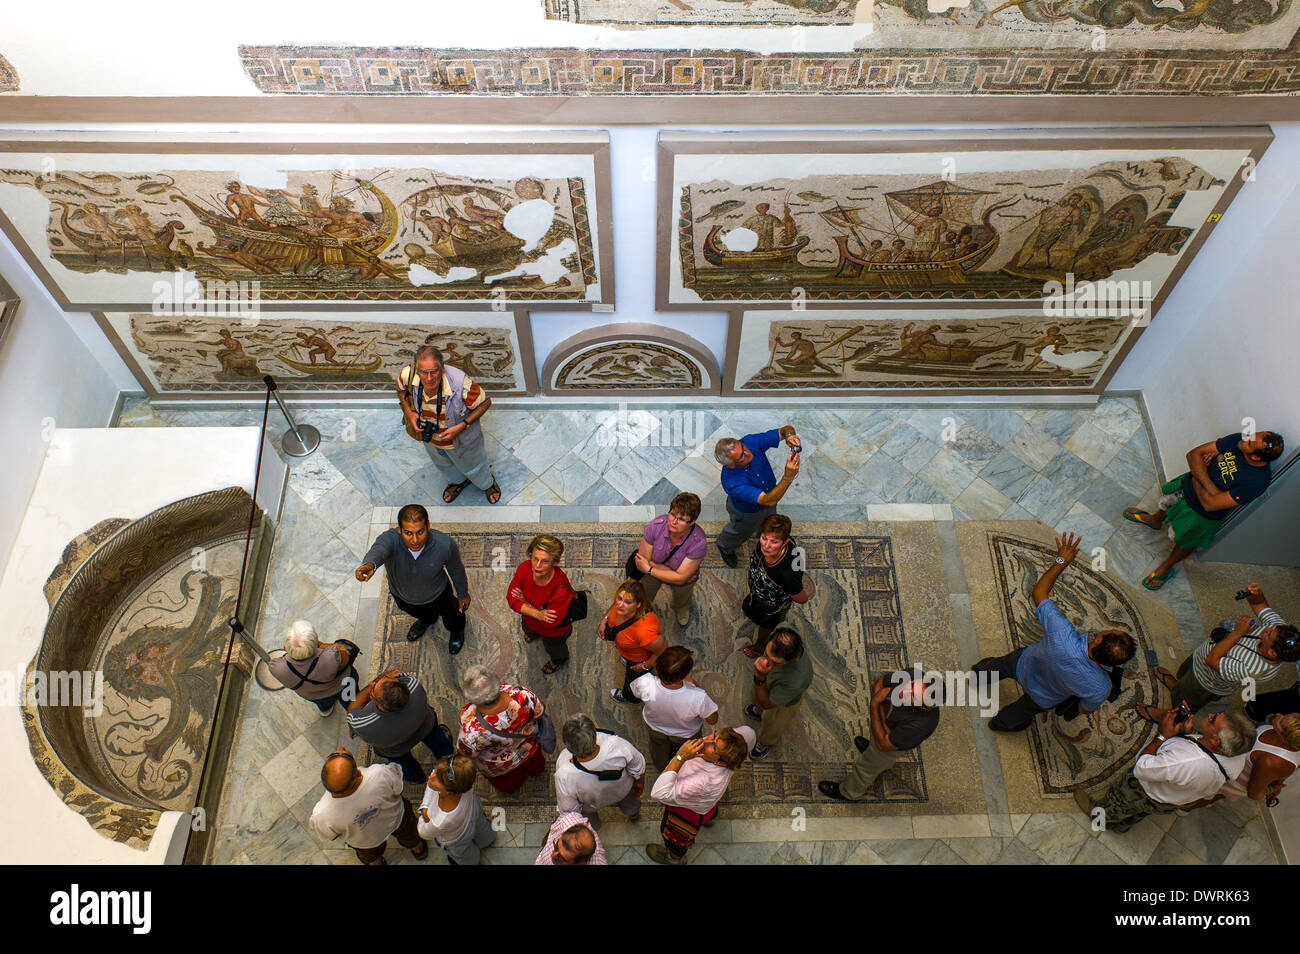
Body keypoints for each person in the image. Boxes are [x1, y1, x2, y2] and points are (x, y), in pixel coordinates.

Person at [972, 532, 1135, 731]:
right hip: (1043, 697)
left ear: (1097, 641)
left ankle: (979, 676)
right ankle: (999, 723)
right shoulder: (1102, 687)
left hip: (1023, 663)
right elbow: (1084, 709)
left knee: (999, 665)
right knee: (1022, 711)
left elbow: (1039, 592)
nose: (1109, 627)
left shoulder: (1062, 633)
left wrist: (1062, 560)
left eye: (1110, 631)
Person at [1123, 430, 1283, 590]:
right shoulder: (1241, 440)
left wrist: (1197, 474)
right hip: (1187, 488)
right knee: (1167, 504)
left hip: (1203, 515)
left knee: (1187, 542)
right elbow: (1193, 455)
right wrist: (1208, 485)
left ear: (1255, 457)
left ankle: (1166, 566)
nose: (1246, 438)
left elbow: (1209, 505)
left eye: (1249, 443)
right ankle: (1154, 520)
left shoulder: (1256, 483)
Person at [1077, 706, 1255, 832]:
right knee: (1139, 812)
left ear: (1216, 741)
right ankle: (1122, 825)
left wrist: (1162, 735)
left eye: (1213, 719)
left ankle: (1099, 816)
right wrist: (1185, 734)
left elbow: (1142, 768)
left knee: (1120, 803)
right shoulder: (1236, 757)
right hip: (1170, 801)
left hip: (1145, 791)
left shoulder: (1185, 761)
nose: (1209, 714)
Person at [1145, 582, 1298, 715]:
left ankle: (1169, 716)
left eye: (1269, 634)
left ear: (1272, 652)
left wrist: (1238, 632)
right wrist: (1256, 593)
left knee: (1187, 702)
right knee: (1184, 679)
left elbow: (1211, 660)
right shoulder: (1279, 630)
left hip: (1205, 683)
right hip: (1198, 660)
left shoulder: (1251, 668)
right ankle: (1178, 687)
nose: (1267, 629)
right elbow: (1260, 605)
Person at [355, 504, 470, 654]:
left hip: (439, 594)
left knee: (453, 616)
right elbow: (379, 549)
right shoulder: (390, 539)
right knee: (423, 615)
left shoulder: (445, 545)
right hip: (404, 597)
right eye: (408, 533)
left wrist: (462, 594)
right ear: (399, 530)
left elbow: (456, 570)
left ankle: (456, 631)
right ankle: (426, 621)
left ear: (428, 525)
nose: (414, 540)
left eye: (420, 532)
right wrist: (370, 564)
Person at [396, 344, 501, 505]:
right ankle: (458, 481)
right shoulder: (407, 375)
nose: (429, 378)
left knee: (475, 465)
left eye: (434, 371)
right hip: (431, 438)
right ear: (417, 370)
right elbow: (401, 391)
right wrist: (410, 413)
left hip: (461, 440)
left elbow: (485, 402)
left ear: (442, 368)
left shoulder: (461, 384)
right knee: (443, 464)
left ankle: (487, 484)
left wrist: (462, 426)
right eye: (424, 372)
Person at [819, 667, 942, 801]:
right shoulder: (914, 674)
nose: (904, 691)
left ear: (925, 707)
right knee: (875, 745)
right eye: (912, 685)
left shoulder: (920, 726)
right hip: (886, 736)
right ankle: (874, 753)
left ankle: (849, 792)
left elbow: (884, 746)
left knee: (865, 769)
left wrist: (875, 705)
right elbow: (879, 682)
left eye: (914, 697)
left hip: (889, 748)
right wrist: (883, 728)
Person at [647, 725, 754, 865]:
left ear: (720, 761)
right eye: (715, 735)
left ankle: (674, 858)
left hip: (687, 812)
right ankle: (710, 819)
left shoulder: (702, 782)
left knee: (676, 839)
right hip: (705, 804)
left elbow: (659, 793)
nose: (708, 740)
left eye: (714, 747)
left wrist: (680, 757)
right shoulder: (736, 743)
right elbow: (750, 732)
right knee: (709, 811)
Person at [308, 748, 427, 865]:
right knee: (410, 835)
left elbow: (330, 835)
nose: (341, 748)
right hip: (397, 819)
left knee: (371, 857)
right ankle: (418, 849)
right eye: (340, 754)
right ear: (358, 773)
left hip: (364, 842)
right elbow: (397, 788)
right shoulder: (379, 773)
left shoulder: (321, 814)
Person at [714, 424, 801, 568]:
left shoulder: (750, 442)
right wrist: (788, 477)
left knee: (769, 520)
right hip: (746, 511)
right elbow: (768, 500)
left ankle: (762, 532)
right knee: (739, 531)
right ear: (731, 465)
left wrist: (790, 435)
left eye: (743, 448)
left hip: (769, 496)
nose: (748, 453)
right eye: (741, 456)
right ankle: (725, 546)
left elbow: (785, 429)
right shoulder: (732, 481)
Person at [346, 669, 453, 783]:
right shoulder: (413, 685)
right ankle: (446, 758)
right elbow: (399, 674)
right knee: (437, 740)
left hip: (396, 749)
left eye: (372, 690)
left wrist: (373, 685)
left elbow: (352, 709)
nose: (373, 683)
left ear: (379, 705)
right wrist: (386, 677)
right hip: (425, 725)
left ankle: (417, 778)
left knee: (404, 765)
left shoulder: (364, 724)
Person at [456, 666, 548, 794]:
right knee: (536, 766)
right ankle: (536, 770)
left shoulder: (470, 728)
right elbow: (540, 711)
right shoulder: (521, 695)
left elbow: (467, 754)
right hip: (529, 747)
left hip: (500, 766)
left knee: (510, 783)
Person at [630, 646, 720, 771]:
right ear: (685, 674)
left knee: (658, 750)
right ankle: (681, 769)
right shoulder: (698, 697)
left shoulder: (644, 682)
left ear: (658, 665)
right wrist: (695, 687)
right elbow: (712, 719)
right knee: (686, 755)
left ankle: (663, 768)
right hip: (686, 734)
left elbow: (636, 693)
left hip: (655, 728)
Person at [739, 513, 815, 658]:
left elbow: (802, 598)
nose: (766, 545)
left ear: (784, 543)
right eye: (764, 538)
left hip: (771, 607)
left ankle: (760, 646)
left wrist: (793, 587)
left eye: (774, 542)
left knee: (767, 626)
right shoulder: (766, 546)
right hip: (758, 593)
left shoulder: (787, 574)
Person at [553, 714, 645, 831]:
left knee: (590, 822)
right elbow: (639, 765)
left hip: (590, 806)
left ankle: (593, 829)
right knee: (631, 805)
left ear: (569, 747)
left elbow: (570, 811)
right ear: (594, 733)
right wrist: (639, 786)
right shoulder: (616, 744)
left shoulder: (564, 771)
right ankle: (634, 815)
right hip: (623, 791)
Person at [633, 492, 707, 627]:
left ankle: (682, 608)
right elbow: (641, 562)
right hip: (653, 574)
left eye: (682, 519)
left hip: (658, 571)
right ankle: (644, 606)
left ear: (692, 522)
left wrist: (650, 568)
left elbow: (681, 579)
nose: (674, 521)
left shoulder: (698, 542)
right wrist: (673, 573)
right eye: (672, 514)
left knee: (682, 596)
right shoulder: (656, 526)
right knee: (645, 593)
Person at [507, 534, 575, 675]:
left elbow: (550, 623)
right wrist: (538, 613)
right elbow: (511, 599)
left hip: (554, 632)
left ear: (554, 562)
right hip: (529, 620)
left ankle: (557, 661)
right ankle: (533, 634)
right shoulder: (524, 568)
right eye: (535, 559)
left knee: (555, 649)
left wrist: (525, 602)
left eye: (544, 561)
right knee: (529, 630)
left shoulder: (561, 588)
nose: (537, 566)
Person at [745, 627, 814, 760]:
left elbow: (767, 704)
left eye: (775, 662)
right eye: (768, 655)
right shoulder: (783, 630)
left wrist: (760, 677)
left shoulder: (796, 680)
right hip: (770, 679)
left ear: (793, 659)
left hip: (783, 700)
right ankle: (757, 710)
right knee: (757, 697)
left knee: (773, 722)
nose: (767, 662)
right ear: (772, 635)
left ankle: (765, 743)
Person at [416, 755, 497, 865]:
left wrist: (424, 811)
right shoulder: (463, 780)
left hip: (457, 838)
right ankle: (488, 839)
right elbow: (440, 772)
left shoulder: (440, 821)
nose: (431, 777)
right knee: (482, 826)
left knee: (463, 854)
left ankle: (473, 862)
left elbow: (423, 833)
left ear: (449, 790)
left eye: (437, 778)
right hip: (473, 809)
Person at [267, 619, 357, 716]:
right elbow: (345, 658)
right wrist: (324, 646)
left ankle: (326, 710)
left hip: (313, 695)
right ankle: (353, 713)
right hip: (342, 685)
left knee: (323, 702)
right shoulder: (331, 655)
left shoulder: (276, 667)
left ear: (286, 646)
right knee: (351, 702)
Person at [600, 580, 667, 705]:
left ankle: (629, 696)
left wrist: (645, 666)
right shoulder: (623, 598)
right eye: (619, 598)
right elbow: (614, 605)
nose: (620, 604)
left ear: (638, 605)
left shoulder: (644, 631)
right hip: (627, 650)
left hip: (638, 659)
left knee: (633, 682)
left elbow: (662, 649)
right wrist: (604, 619)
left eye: (627, 602)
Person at [1219, 713, 1300, 804]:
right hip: (1225, 763)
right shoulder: (1285, 739)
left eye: (1280, 721)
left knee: (1208, 796)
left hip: (1230, 780)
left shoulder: (1273, 762)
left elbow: (1254, 794)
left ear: (1284, 740)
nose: (1278, 715)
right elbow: (1279, 779)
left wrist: (1272, 789)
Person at [534, 812, 607, 865]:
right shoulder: (567, 820)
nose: (552, 855)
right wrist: (546, 840)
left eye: (561, 858)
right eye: (556, 847)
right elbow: (555, 824)